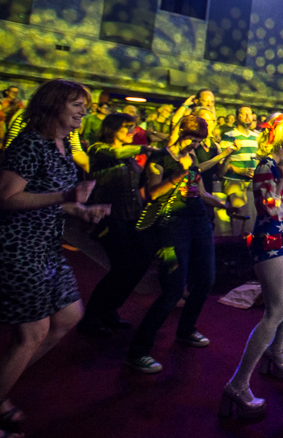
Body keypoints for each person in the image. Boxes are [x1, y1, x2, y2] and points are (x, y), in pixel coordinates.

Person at [0, 79, 109, 435]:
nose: (83, 111)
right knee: (32, 333)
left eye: (85, 106)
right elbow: (6, 198)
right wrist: (64, 197)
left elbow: (56, 198)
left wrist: (80, 210)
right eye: (76, 104)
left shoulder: (63, 145)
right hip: (19, 248)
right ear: (53, 105)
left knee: (68, 317)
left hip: (47, 246)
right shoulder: (31, 143)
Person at [222, 114, 283, 418]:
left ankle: (275, 352)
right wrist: (281, 184)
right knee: (275, 310)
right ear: (275, 133)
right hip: (269, 241)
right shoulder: (267, 166)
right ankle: (238, 385)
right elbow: (270, 208)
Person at [125, 115, 236, 374]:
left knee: (207, 280)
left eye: (198, 142)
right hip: (172, 224)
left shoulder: (191, 157)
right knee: (174, 289)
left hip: (198, 222)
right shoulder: (160, 158)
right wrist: (176, 177)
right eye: (192, 140)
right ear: (179, 133)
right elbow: (152, 194)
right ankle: (138, 350)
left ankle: (186, 331)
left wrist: (224, 205)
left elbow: (200, 192)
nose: (194, 146)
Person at [77, 113, 157, 338]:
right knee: (122, 266)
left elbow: (139, 183)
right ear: (112, 129)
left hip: (131, 215)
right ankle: (92, 316)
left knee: (141, 260)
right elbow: (116, 152)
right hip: (109, 215)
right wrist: (146, 149)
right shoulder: (98, 149)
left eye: (134, 128)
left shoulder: (130, 156)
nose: (133, 132)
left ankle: (110, 307)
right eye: (128, 128)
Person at [220, 106, 259, 236]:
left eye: (250, 114)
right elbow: (222, 162)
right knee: (239, 219)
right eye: (244, 114)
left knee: (252, 219)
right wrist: (240, 170)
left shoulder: (256, 136)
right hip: (235, 182)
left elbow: (258, 158)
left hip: (252, 183)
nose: (248, 117)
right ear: (237, 117)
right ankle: (237, 248)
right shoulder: (229, 136)